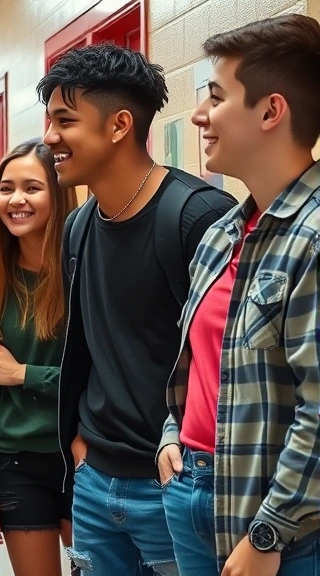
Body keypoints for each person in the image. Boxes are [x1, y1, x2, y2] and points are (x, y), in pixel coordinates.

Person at [38, 43, 237, 575]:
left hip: (172, 486)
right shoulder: (79, 227)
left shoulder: (198, 218)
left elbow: (223, 362)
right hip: (96, 482)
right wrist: (81, 449)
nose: (49, 137)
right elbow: (84, 351)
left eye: (65, 120)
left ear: (119, 125)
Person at [156, 14, 320, 576]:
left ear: (272, 111)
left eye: (216, 97)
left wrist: (270, 532)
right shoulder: (224, 231)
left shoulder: (314, 236)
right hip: (192, 492)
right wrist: (170, 438)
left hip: (282, 531)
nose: (199, 114)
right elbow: (198, 360)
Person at [0, 139, 77, 576]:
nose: (15, 200)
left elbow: (103, 373)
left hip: (83, 455)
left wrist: (24, 374)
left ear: (57, 192)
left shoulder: (82, 271)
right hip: (16, 463)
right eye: (6, 188)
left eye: (31, 187)